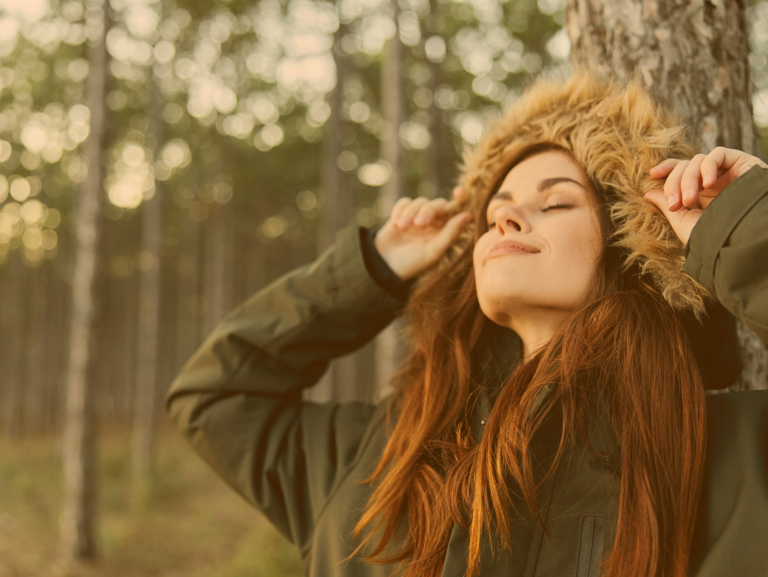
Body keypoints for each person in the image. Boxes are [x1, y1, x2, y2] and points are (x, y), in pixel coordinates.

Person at [164, 69, 768, 577]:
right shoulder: (378, 456)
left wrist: (743, 228)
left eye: (554, 202)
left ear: (627, 245)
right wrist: (371, 268)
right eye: (496, 212)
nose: (506, 220)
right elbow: (216, 397)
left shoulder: (728, 453)